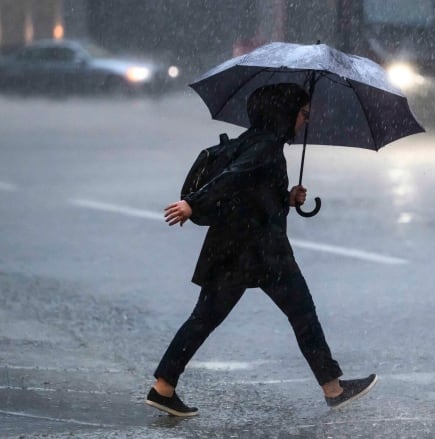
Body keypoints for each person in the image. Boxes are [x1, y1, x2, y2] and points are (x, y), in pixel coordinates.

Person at [145, 83, 377, 417]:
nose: (303, 122)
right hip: (262, 252)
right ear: (284, 114)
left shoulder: (251, 142)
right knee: (302, 314)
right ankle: (333, 387)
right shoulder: (266, 148)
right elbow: (234, 178)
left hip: (233, 248)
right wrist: (193, 205)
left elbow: (251, 193)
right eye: (302, 114)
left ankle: (163, 386)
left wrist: (286, 197)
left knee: (205, 318)